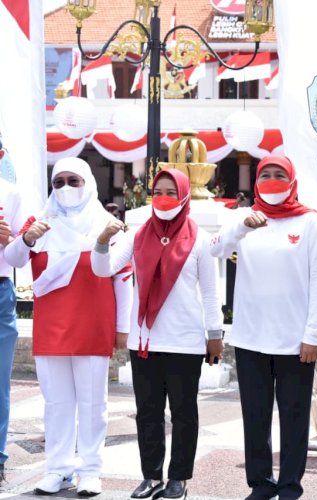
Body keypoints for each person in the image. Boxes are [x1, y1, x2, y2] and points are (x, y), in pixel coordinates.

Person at [4, 157, 132, 497]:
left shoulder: (107, 225)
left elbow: (123, 281)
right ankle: (58, 469)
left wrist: (123, 328)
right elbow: (15, 259)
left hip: (93, 322)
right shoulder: (41, 222)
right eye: (58, 182)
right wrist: (26, 239)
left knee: (93, 402)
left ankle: (90, 471)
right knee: (56, 402)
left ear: (88, 183)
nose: (64, 188)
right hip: (51, 325)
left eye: (72, 181)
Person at [92, 168, 223, 500]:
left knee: (183, 412)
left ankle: (178, 477)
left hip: (185, 342)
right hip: (144, 340)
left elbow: (209, 293)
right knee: (147, 412)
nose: (163, 198)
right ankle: (151, 476)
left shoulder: (200, 239)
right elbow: (103, 269)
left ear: (183, 195)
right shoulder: (137, 236)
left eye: (170, 191)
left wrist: (215, 333)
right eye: (158, 191)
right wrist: (102, 240)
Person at [210, 155, 317, 500]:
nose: (273, 180)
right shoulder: (243, 219)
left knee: (294, 417)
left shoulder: (309, 222)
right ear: (255, 181)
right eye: (266, 175)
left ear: (292, 180)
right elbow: (214, 250)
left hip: (295, 341)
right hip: (251, 337)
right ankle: (261, 483)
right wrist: (242, 226)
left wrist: (313, 335)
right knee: (256, 415)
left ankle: (290, 485)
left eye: (280, 174)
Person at [0, 141, 28, 489]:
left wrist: (12, 243)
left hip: (2, 290)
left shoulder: (11, 193)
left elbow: (21, 257)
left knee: (0, 383)